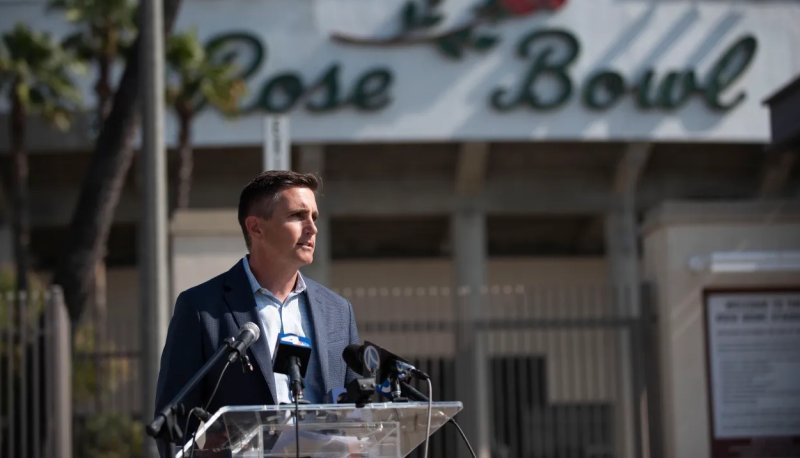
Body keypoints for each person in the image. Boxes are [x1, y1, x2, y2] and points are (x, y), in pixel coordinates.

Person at [153, 170, 361, 447]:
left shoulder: (338, 311)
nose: (312, 228)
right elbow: (173, 424)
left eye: (314, 217)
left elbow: (361, 413)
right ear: (256, 228)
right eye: (298, 216)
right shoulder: (202, 308)